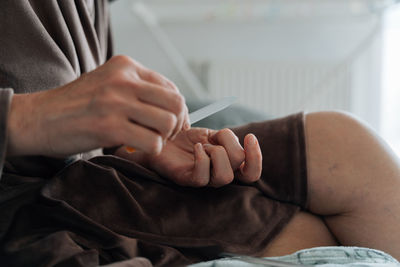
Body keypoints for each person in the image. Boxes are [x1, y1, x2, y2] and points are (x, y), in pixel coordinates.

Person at [0, 1, 399, 266]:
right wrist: (26, 119)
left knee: (342, 145)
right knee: (304, 237)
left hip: (84, 184)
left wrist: (136, 147)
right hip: (24, 216)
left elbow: (78, 135)